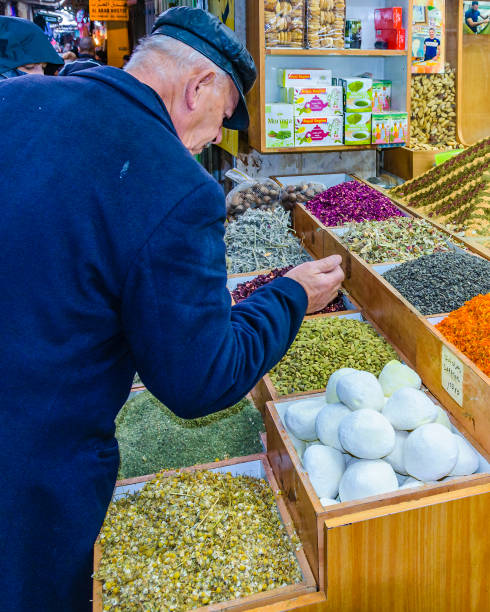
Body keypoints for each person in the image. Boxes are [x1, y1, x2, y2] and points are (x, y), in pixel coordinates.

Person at [0, 7, 344, 611]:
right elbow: (200, 377)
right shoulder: (175, 186)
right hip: (31, 480)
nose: (215, 138)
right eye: (222, 121)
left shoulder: (15, 99)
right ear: (198, 88)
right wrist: (291, 293)